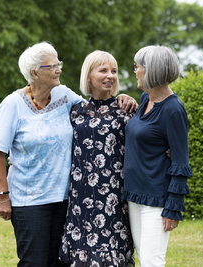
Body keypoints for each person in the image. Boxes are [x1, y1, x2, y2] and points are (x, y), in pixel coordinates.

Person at [0, 42, 137, 267]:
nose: (59, 68)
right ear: (35, 72)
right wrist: (2, 196)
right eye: (53, 65)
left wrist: (123, 97)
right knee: (34, 262)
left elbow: (96, 109)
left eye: (59, 63)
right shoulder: (12, 104)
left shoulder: (65, 96)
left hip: (66, 199)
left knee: (60, 261)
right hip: (30, 200)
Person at [59, 50, 136, 267]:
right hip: (79, 201)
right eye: (103, 70)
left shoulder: (127, 111)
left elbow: (147, 141)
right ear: (89, 75)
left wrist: (168, 150)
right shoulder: (75, 112)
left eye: (114, 71)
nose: (110, 75)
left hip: (113, 200)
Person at [122, 45, 193, 266]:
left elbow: (181, 162)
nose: (135, 71)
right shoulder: (145, 99)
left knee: (152, 261)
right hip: (135, 195)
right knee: (143, 258)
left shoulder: (173, 109)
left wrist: (173, 206)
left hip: (157, 200)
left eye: (138, 67)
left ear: (151, 70)